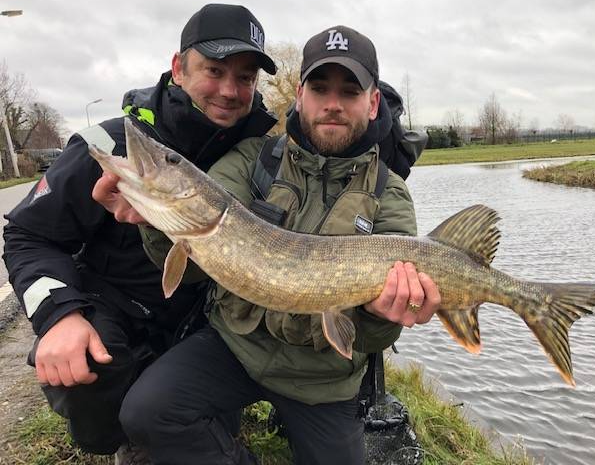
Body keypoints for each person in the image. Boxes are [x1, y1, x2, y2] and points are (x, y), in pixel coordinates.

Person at [110, 25, 441, 465]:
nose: (333, 104)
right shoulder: (252, 159)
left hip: (323, 378)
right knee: (148, 412)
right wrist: (154, 221)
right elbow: (189, 264)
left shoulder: (390, 192)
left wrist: (386, 316)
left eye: (350, 90)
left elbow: (376, 331)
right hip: (237, 349)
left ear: (373, 101)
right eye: (320, 88)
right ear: (300, 94)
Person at [2, 3, 277, 463]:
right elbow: (28, 235)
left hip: (206, 328)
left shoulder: (262, 157)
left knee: (188, 419)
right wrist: (59, 315)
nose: (230, 90)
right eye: (214, 69)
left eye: (245, 77)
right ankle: (115, 436)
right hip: (119, 313)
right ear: (178, 67)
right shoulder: (110, 144)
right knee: (91, 369)